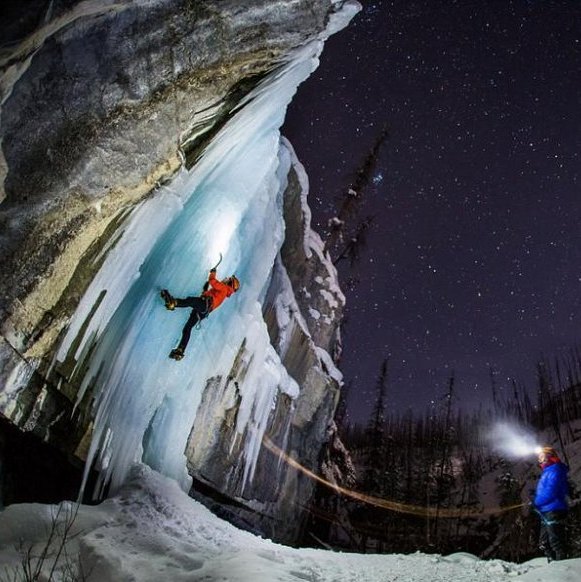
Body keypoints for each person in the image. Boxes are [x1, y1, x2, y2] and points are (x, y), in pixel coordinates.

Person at [161, 269, 240, 361]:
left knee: (190, 301)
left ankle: (173, 303)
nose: (226, 279)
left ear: (230, 283)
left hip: (205, 304)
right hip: (203, 311)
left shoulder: (224, 288)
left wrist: (213, 273)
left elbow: (213, 281)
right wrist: (205, 290)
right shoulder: (223, 292)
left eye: (228, 279)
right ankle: (180, 350)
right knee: (187, 328)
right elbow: (209, 294)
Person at [533, 446, 569, 561]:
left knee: (556, 543)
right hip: (545, 510)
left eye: (542, 457)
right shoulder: (548, 471)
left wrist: (536, 502)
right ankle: (552, 568)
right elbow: (544, 491)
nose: (540, 460)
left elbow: (551, 491)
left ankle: (562, 571)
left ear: (550, 456)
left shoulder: (556, 470)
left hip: (554, 509)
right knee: (544, 543)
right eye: (539, 458)